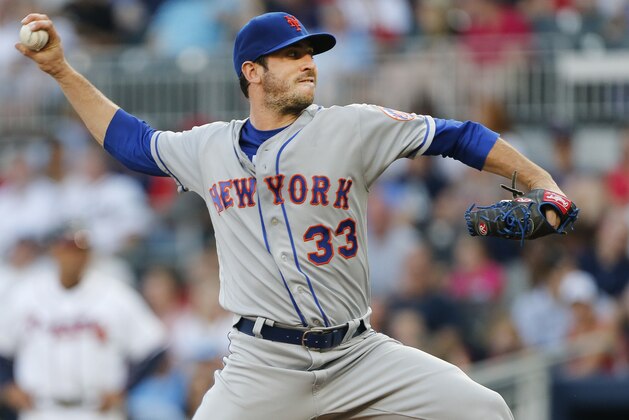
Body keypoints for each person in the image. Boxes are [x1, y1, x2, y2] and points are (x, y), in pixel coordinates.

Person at [16, 11, 574, 419]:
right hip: (263, 363)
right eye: (292, 54)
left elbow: (460, 135)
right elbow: (131, 142)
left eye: (310, 52)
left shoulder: (351, 126)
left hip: (358, 353)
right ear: (252, 72)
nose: (308, 62)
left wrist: (542, 184)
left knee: (486, 412)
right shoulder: (208, 147)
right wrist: (62, 70)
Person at [0, 223, 167, 420]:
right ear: (54, 251)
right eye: (66, 248)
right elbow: (3, 347)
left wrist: (125, 389)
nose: (72, 256)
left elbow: (155, 346)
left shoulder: (115, 294)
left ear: (89, 254)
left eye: (79, 249)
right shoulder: (25, 294)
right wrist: (6, 384)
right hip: (40, 409)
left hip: (97, 411)